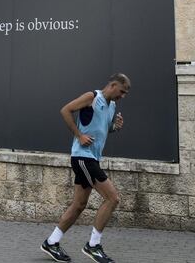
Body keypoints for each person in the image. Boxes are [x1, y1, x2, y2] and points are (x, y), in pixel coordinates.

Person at [41, 73, 130, 263]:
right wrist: (79, 135)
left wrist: (115, 127)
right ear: (113, 85)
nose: (122, 96)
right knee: (112, 198)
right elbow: (65, 110)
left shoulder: (112, 106)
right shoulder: (92, 97)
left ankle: (51, 242)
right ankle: (93, 246)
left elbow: (102, 129)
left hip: (92, 160)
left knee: (79, 205)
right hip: (83, 157)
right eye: (121, 92)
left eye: (124, 94)